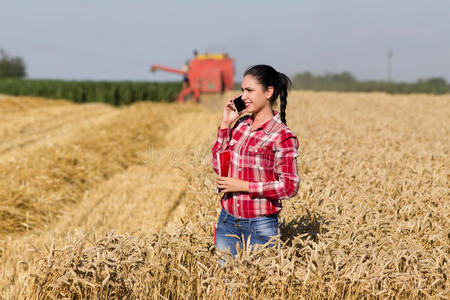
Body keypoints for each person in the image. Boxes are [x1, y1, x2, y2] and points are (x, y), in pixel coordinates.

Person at [211, 64, 300, 259]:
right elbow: (218, 167)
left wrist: (243, 186)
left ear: (269, 92)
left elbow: (290, 187)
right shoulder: (241, 125)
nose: (243, 96)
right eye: (242, 90)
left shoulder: (282, 136)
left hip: (260, 226)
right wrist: (226, 124)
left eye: (250, 90)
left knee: (258, 287)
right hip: (227, 220)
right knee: (223, 285)